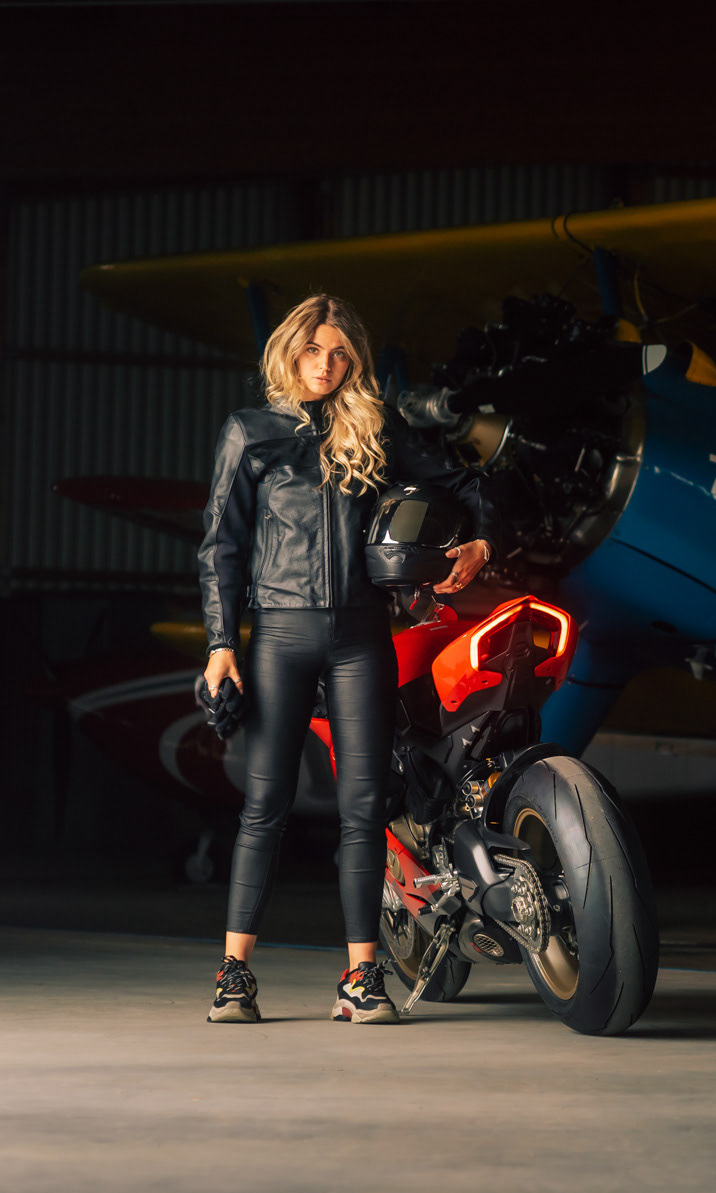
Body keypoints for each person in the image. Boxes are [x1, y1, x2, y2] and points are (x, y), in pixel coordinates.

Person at [198, 294, 493, 1025]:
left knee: (365, 811)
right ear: (287, 353)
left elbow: (465, 484)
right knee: (264, 807)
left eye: (339, 354)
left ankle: (362, 980)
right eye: (312, 351)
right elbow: (220, 547)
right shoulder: (251, 433)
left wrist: (482, 539)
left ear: (354, 360)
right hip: (279, 637)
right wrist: (218, 643)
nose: (325, 366)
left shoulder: (376, 429)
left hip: (363, 639)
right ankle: (233, 975)